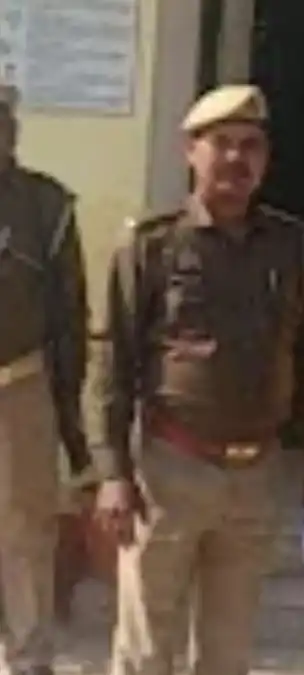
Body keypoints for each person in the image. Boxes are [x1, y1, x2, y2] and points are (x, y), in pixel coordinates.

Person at [86, 84, 304, 675]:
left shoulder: (289, 244)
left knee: (228, 652)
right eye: (221, 143)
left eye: (250, 146)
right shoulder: (151, 244)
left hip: (255, 473)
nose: (236, 158)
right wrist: (111, 474)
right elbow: (112, 362)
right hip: (170, 470)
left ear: (266, 159)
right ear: (190, 152)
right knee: (146, 648)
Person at [0, 84, 89, 675]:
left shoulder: (44, 204)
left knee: (25, 531)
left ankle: (29, 657)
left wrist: (69, 418)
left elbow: (68, 315)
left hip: (18, 384)